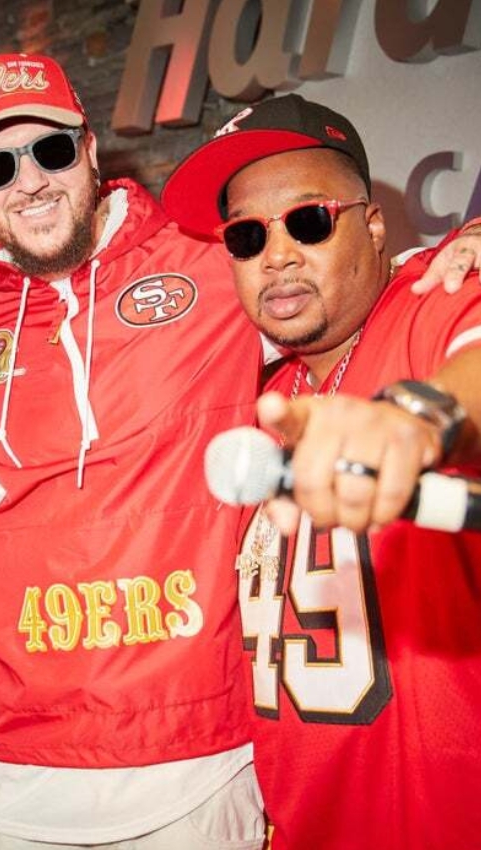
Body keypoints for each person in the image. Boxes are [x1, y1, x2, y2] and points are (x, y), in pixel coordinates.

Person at [0, 51, 270, 850]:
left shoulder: (212, 265)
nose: (32, 182)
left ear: (88, 150)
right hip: (17, 773)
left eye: (50, 151)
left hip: (196, 767)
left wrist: (456, 252)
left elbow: (346, 288)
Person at [161, 93, 481, 850]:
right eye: (245, 237)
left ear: (373, 227)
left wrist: (417, 418)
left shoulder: (430, 307)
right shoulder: (268, 402)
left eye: (308, 221)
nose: (276, 256)